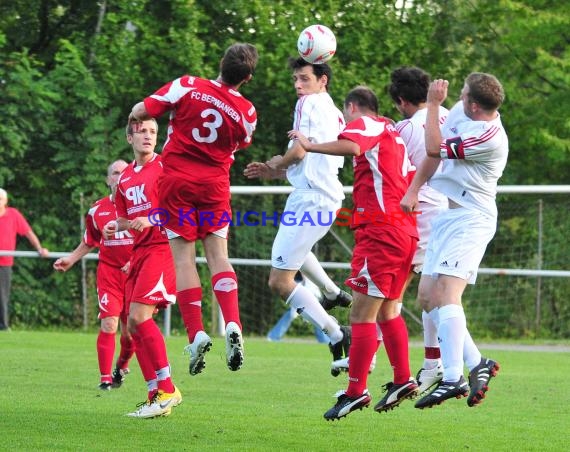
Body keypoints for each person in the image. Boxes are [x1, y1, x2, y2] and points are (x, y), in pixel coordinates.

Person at [289, 85, 419, 420]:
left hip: (381, 232)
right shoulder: (391, 130)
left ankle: (355, 391)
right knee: (388, 311)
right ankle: (403, 379)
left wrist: (310, 144)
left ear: (352, 108)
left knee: (360, 316)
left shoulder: (365, 124)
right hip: (403, 231)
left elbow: (352, 144)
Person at [129, 43, 258, 376]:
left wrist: (135, 118)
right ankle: (233, 323)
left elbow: (143, 109)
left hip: (176, 184)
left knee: (184, 259)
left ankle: (196, 332)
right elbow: (242, 142)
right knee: (219, 257)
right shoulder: (248, 112)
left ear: (221, 63)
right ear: (247, 78)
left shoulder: (188, 85)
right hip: (214, 186)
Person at [333, 67, 450, 391]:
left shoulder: (399, 129)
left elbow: (406, 168)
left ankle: (436, 365)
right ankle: (413, 372)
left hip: (405, 220)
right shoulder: (446, 116)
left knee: (413, 301)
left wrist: (311, 146)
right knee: (395, 305)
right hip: (440, 216)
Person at [401, 73, 507, 409]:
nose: (457, 99)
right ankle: (477, 363)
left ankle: (451, 377)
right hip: (448, 218)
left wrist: (432, 104)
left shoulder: (489, 137)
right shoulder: (464, 113)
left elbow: (433, 145)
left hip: (472, 220)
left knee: (447, 294)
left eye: (463, 95)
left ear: (474, 105)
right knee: (428, 298)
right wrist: (414, 189)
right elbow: (434, 155)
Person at [244, 57, 352, 374]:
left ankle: (335, 333)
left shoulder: (308, 104)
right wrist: (275, 169)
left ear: (323, 80)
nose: (298, 85)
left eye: (304, 78)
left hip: (312, 200)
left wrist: (276, 163)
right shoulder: (332, 111)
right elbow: (305, 163)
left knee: (280, 280)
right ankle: (332, 293)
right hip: (317, 197)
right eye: (295, 79)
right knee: (292, 257)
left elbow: (299, 153)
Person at [103, 117, 181, 418]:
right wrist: (114, 226)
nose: (148, 137)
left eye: (153, 132)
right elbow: (124, 218)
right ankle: (154, 394)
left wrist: (153, 218)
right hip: (139, 252)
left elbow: (181, 209)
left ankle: (168, 388)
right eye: (142, 132)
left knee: (138, 316)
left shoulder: (165, 168)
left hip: (163, 249)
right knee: (134, 324)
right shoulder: (124, 179)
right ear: (129, 138)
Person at [53, 160, 136, 390]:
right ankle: (105, 379)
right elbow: (90, 240)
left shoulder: (141, 209)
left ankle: (122, 364)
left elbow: (154, 241)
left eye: (124, 173)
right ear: (108, 179)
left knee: (131, 335)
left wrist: (136, 260)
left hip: (136, 276)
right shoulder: (97, 210)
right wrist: (71, 258)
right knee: (109, 324)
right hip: (109, 275)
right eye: (115, 173)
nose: (120, 177)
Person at [0, 188, 49, 331]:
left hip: (4, 263)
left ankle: (3, 326)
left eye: (0, 199)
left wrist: (39, 248)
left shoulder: (13, 214)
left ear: (5, 201)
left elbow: (28, 232)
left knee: (2, 295)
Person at [266, 271, 329, 343]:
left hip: (305, 284)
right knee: (295, 313)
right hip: (298, 284)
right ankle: (273, 336)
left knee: (315, 313)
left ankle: (324, 340)